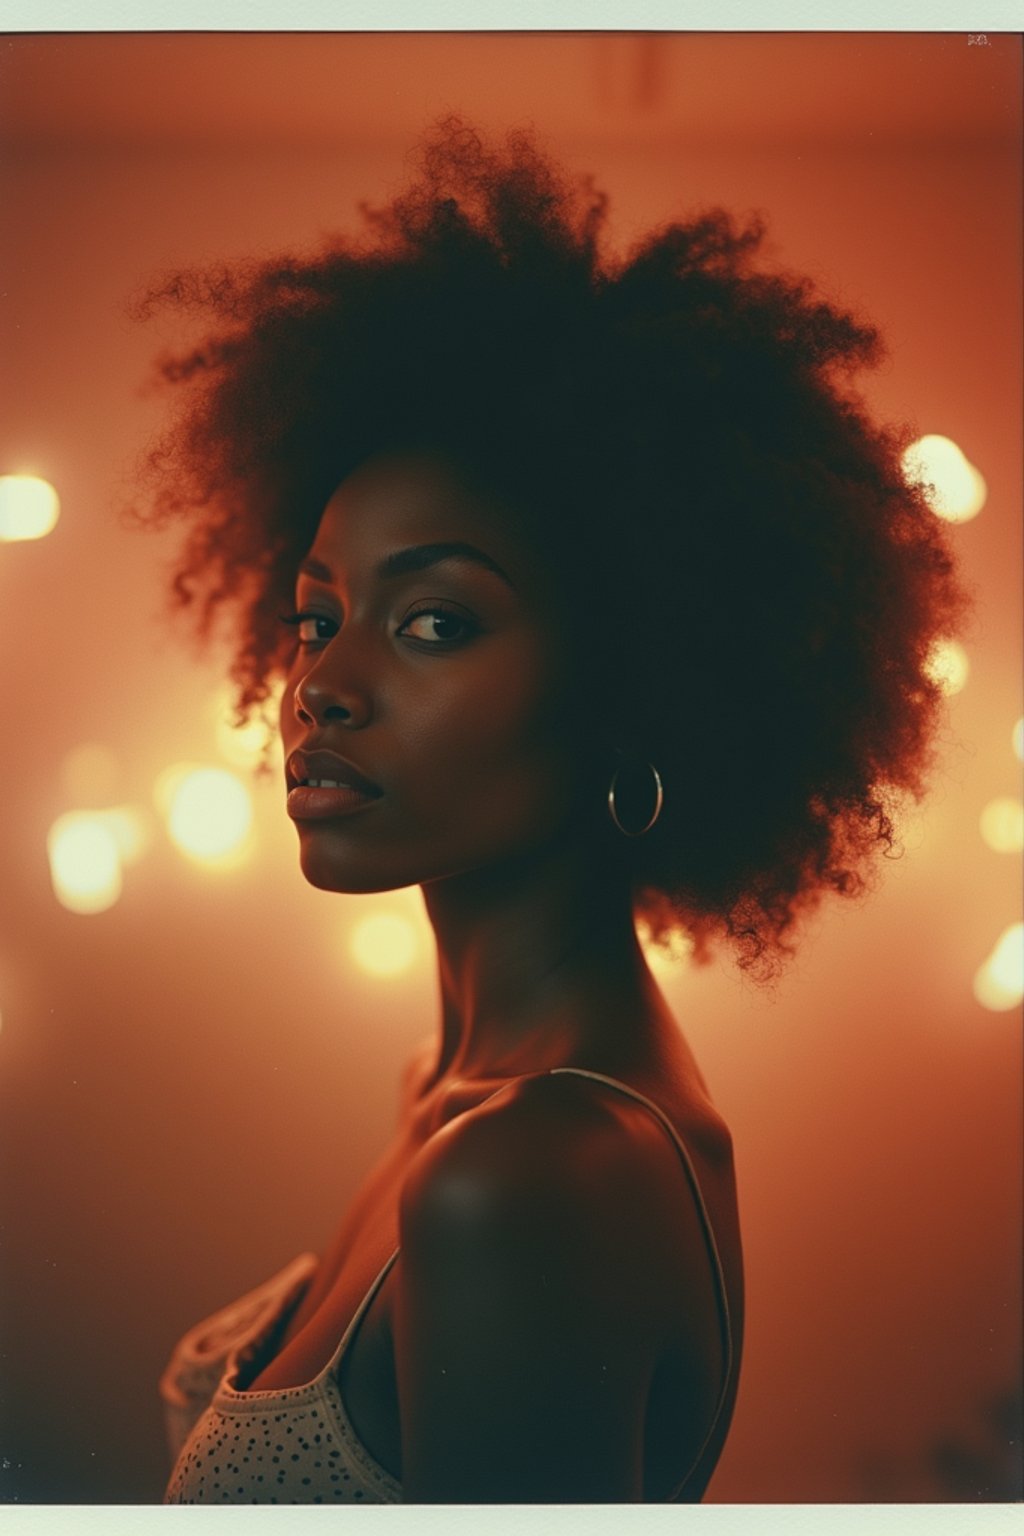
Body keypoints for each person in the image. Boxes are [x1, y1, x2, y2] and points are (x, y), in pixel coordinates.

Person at [136, 120, 967, 1503]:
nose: (321, 685)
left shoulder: (531, 1178)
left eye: (437, 621)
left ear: (630, 693)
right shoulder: (454, 1097)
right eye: (315, 617)